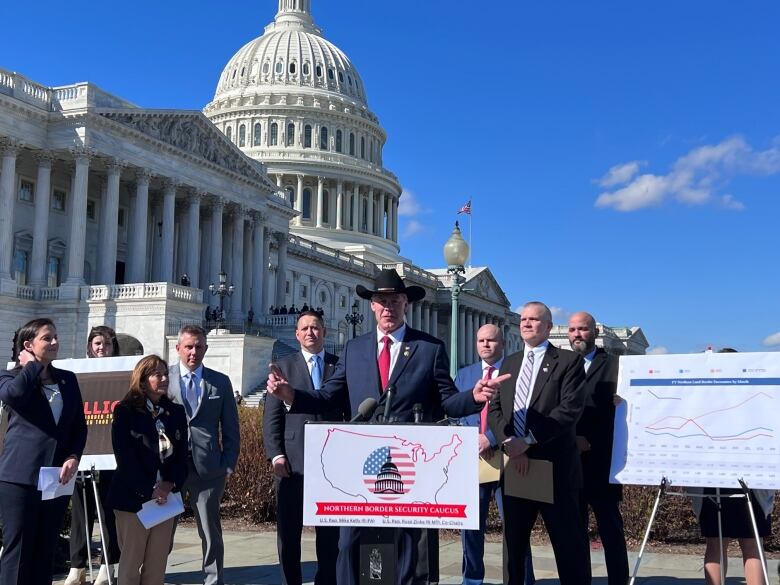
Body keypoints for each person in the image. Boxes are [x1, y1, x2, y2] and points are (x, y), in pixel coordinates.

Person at [266, 268, 502, 585]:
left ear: (406, 303)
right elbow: (326, 396)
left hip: (408, 467)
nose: (388, 306)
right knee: (350, 544)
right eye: (382, 301)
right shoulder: (355, 348)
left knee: (405, 546)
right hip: (360, 465)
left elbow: (447, 401)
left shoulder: (428, 348)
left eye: (394, 300)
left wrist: (472, 398)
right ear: (372, 306)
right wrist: (290, 394)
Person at [488, 301, 589, 585]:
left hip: (554, 469)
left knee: (568, 546)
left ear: (547, 327)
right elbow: (495, 409)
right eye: (523, 319)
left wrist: (528, 441)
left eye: (534, 320)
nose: (526, 324)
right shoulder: (509, 363)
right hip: (515, 469)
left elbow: (569, 410)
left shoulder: (568, 362)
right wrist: (509, 442)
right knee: (514, 547)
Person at [0, 318, 88, 585]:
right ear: (28, 344)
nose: (55, 342)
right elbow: (14, 396)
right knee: (19, 550)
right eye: (47, 338)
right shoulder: (11, 377)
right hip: (20, 477)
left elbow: (78, 427)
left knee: (45, 549)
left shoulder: (68, 379)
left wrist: (73, 456)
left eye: (56, 337)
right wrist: (32, 366)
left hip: (55, 478)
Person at [263, 311, 348, 585]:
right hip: (292, 465)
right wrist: (276, 455)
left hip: (331, 466)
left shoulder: (340, 367)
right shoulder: (282, 367)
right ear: (297, 334)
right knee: (289, 534)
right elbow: (272, 419)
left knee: (330, 536)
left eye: (316, 327)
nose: (310, 332)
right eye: (305, 328)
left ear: (325, 332)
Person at [455, 324, 535, 585]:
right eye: (480, 340)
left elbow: (521, 414)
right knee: (471, 525)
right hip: (474, 459)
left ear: (503, 344)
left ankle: (521, 578)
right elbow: (457, 412)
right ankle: (472, 578)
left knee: (515, 524)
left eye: (491, 340)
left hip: (507, 456)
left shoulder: (517, 374)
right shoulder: (464, 375)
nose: (485, 345)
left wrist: (489, 437)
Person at [693, 347, 774, 585]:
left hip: (723, 479)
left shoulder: (700, 398)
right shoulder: (758, 394)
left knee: (720, 544)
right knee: (750, 544)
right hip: (744, 479)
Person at [168, 325, 240, 585]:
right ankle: (156, 576)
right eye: (188, 346)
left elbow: (231, 427)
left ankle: (213, 580)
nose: (193, 352)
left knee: (210, 533)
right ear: (178, 348)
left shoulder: (219, 381)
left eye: (199, 346)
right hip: (170, 470)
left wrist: (228, 464)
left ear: (206, 348)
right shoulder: (163, 378)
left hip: (209, 470)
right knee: (163, 531)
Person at [107, 355, 188, 585]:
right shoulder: (125, 412)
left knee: (156, 566)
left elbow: (182, 456)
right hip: (133, 500)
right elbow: (125, 458)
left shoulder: (176, 412)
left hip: (166, 499)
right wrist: (150, 489)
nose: (164, 378)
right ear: (142, 381)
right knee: (131, 566)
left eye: (165, 374)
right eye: (157, 374)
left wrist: (169, 484)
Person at [567, 312, 629, 585]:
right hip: (569, 462)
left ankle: (618, 579)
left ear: (594, 332)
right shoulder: (562, 364)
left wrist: (589, 439)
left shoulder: (614, 365)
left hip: (602, 460)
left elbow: (620, 412)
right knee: (574, 529)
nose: (577, 334)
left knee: (610, 528)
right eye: (572, 330)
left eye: (582, 329)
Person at [65, 326, 122, 585]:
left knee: (108, 513)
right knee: (81, 513)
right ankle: (77, 567)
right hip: (82, 453)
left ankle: (109, 565)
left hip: (112, 456)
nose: (102, 348)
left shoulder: (123, 373)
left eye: (108, 344)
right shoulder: (77, 374)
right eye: (98, 343)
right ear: (89, 345)